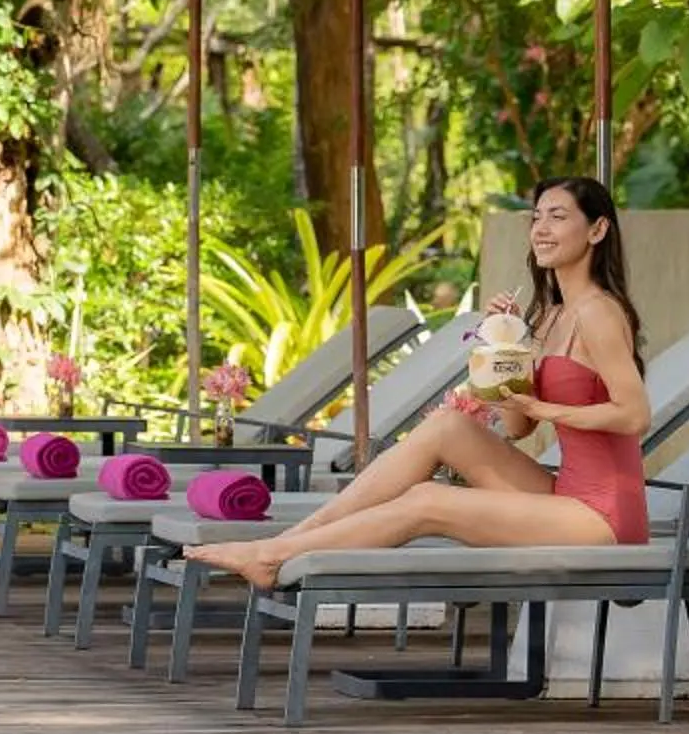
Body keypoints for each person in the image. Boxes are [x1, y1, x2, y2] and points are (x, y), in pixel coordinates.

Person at [185, 177, 650, 591]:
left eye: (558, 217)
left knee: (428, 500)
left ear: (597, 230)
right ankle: (285, 542)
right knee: (448, 426)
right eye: (536, 218)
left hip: (605, 515)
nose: (541, 229)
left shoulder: (598, 311)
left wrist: (552, 411)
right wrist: (501, 347)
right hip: (566, 495)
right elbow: (517, 425)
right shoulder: (547, 315)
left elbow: (634, 414)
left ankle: (270, 556)